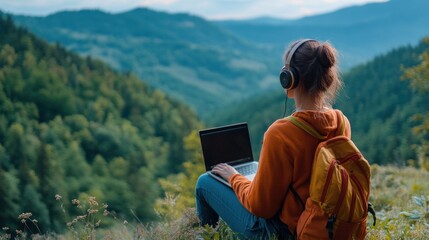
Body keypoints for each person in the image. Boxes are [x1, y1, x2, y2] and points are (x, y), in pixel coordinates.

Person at [195, 39, 349, 239]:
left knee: (205, 182)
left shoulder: (281, 133)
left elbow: (261, 208)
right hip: (326, 225)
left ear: (289, 78)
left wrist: (233, 177)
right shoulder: (341, 122)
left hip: (285, 232)